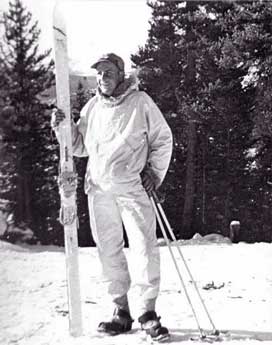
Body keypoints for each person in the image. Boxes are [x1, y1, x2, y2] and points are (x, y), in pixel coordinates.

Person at [51, 53, 173, 340]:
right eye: (98, 74)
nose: (102, 79)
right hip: (99, 189)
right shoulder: (93, 107)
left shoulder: (140, 102)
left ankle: (147, 312)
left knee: (144, 248)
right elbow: (79, 147)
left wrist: (154, 173)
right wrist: (62, 127)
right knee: (108, 250)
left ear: (120, 74)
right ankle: (121, 311)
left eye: (107, 73)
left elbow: (162, 138)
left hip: (133, 189)